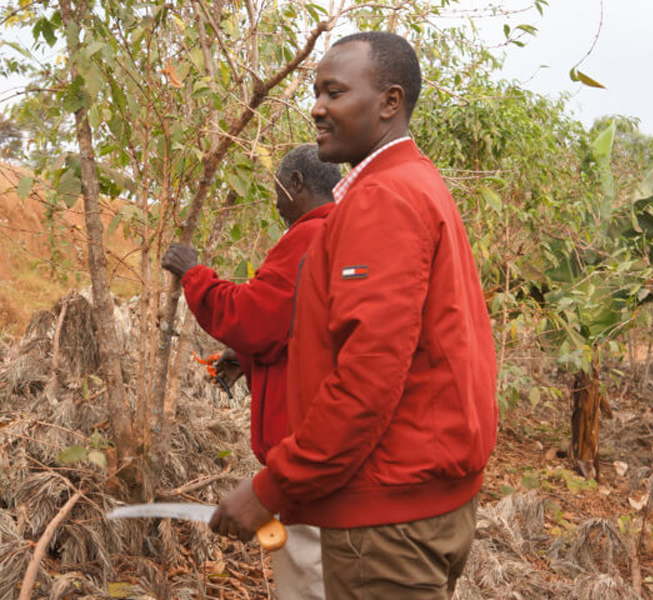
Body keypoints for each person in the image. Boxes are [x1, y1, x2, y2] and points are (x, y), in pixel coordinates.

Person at [209, 31, 499, 599]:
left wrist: (272, 486)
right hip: (421, 497)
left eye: (334, 93)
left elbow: (368, 376)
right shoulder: (415, 183)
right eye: (316, 92)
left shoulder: (383, 198)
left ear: (390, 102)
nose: (317, 108)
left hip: (386, 521)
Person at [160, 145, 342, 600]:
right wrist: (248, 359)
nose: (276, 202)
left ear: (296, 184)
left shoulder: (308, 237)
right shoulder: (343, 233)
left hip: (310, 460)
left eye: (278, 190)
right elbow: (298, 330)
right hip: (329, 454)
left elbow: (250, 318)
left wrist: (193, 275)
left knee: (309, 579)